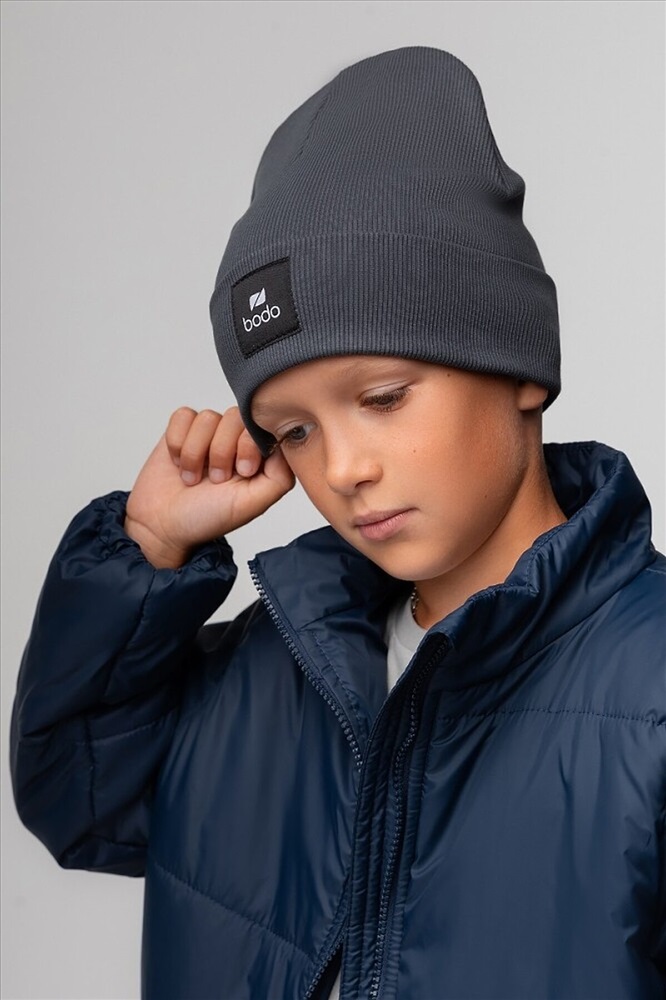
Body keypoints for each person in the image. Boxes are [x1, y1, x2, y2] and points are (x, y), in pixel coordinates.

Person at [10, 46, 665, 1000]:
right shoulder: (269, 670)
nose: (344, 468)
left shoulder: (649, 682)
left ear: (520, 365)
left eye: (384, 398)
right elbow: (79, 795)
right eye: (295, 431)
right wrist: (147, 549)